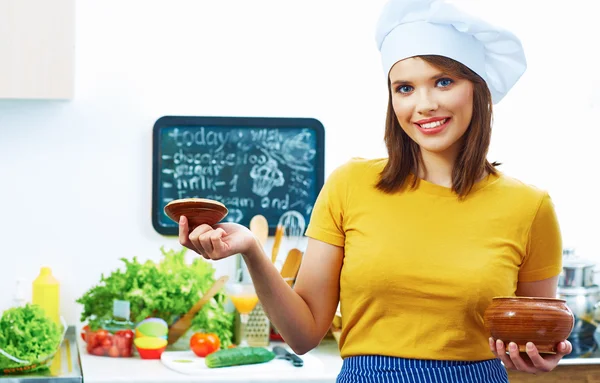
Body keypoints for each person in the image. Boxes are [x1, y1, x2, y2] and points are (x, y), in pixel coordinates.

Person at [178, 0, 572, 381]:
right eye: (404, 88)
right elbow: (303, 335)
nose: (424, 104)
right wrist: (251, 248)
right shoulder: (350, 185)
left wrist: (537, 354)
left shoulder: (529, 207)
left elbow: (536, 333)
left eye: (444, 81)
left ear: (478, 89)